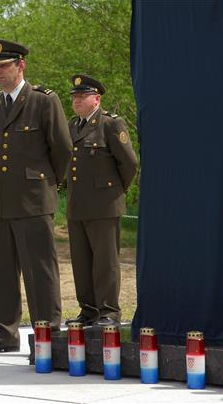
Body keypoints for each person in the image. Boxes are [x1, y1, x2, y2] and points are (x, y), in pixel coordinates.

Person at [0, 40, 72, 354]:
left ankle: (48, 333)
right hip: (0, 199)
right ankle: (5, 332)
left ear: (21, 66)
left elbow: (63, 149)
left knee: (39, 270)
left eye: (4, 66)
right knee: (1, 270)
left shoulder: (44, 101)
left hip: (34, 199)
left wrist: (47, 186)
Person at [65, 74, 138, 327]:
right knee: (81, 262)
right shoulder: (73, 126)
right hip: (77, 205)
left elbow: (129, 164)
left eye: (82, 96)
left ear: (96, 99)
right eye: (74, 97)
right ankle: (88, 310)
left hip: (104, 204)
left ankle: (109, 311)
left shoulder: (110, 125)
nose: (76, 101)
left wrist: (116, 192)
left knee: (105, 262)